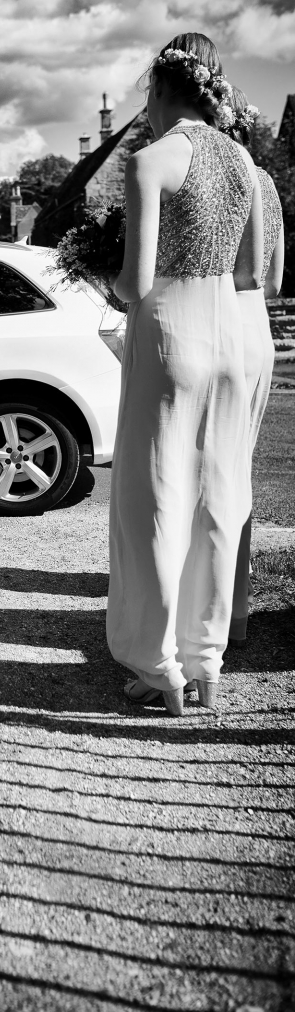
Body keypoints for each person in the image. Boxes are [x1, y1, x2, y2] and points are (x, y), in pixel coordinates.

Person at [107, 32, 263, 716]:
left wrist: (98, 275)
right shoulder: (245, 162)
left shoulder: (150, 160)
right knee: (219, 501)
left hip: (172, 332)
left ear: (161, 92)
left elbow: (135, 286)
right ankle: (208, 663)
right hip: (234, 333)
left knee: (154, 501)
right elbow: (251, 270)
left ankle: (158, 666)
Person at [224, 89, 285, 645]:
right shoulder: (267, 184)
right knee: (237, 469)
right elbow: (276, 281)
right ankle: (236, 609)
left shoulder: (217, 178)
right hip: (259, 328)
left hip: (221, 322)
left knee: (207, 473)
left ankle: (209, 608)